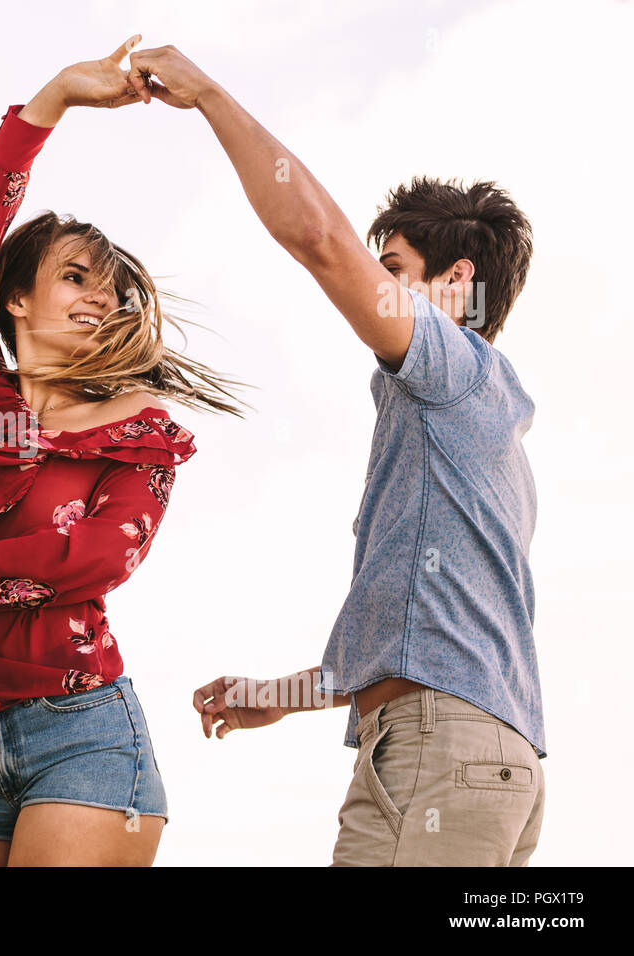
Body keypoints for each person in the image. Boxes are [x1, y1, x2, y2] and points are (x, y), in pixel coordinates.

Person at [129, 45, 547, 865]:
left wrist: (211, 93)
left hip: (439, 759)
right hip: (472, 759)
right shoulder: (474, 431)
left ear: (457, 282)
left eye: (390, 269)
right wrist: (279, 696)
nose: (370, 285)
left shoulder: (454, 369)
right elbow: (424, 643)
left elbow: (317, 238)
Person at [0, 36, 244, 867]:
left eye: (108, 287)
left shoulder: (140, 428)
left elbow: (98, 556)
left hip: (82, 738)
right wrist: (55, 98)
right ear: (15, 297)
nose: (99, 297)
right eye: (76, 276)